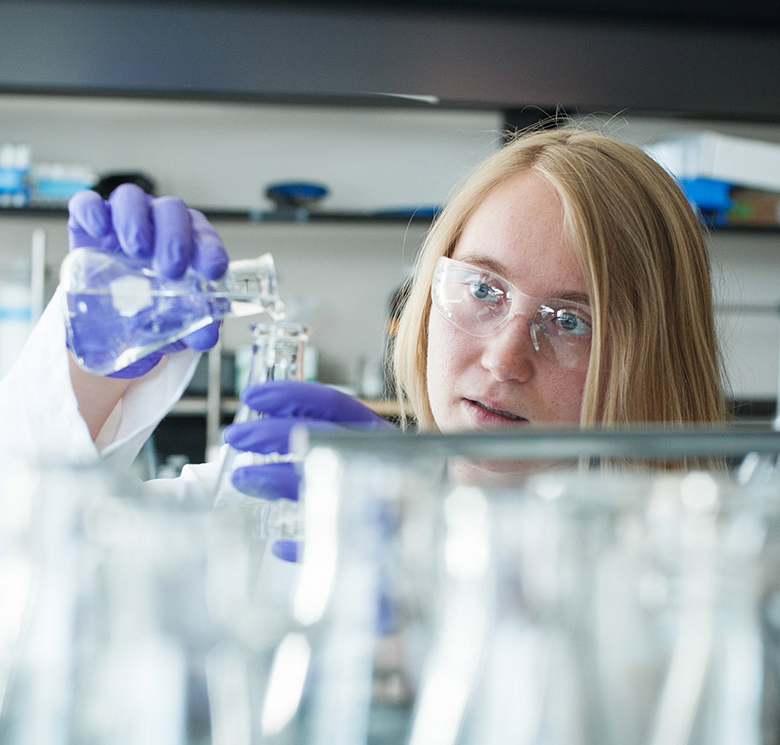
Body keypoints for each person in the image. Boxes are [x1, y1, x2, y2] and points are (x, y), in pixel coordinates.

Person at [0, 123, 728, 504]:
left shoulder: (713, 587)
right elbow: (35, 575)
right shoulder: (290, 503)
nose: (506, 358)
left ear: (655, 353)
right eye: (483, 290)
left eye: (572, 321)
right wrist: (88, 373)